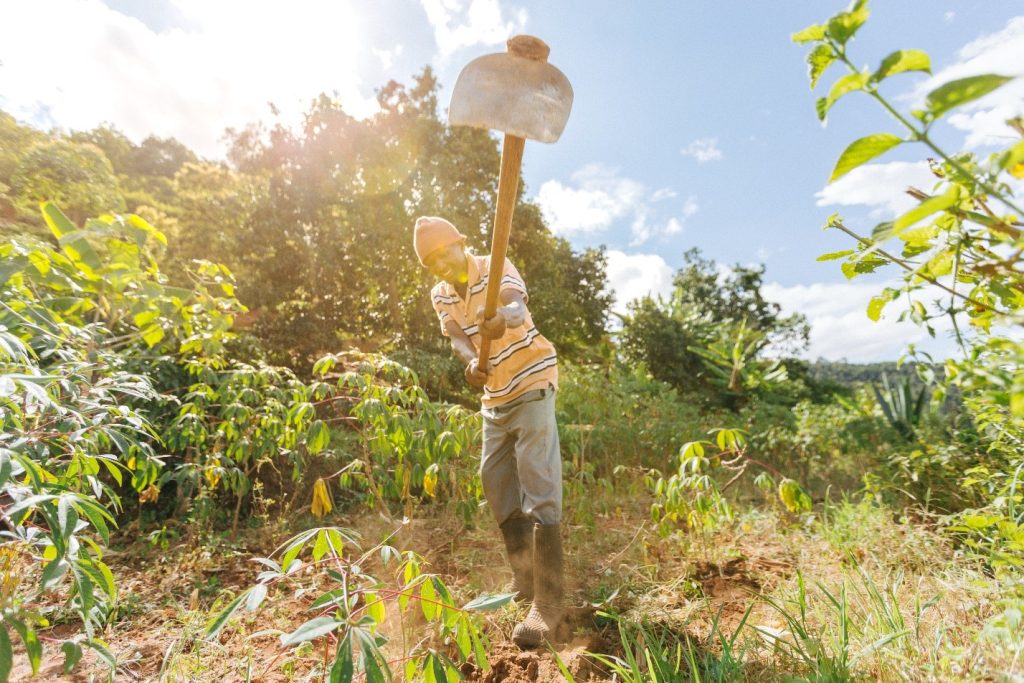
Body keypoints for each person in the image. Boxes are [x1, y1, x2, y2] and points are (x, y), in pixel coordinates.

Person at [413, 215, 564, 648]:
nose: (442, 263)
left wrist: (504, 319)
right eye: (432, 261)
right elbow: (458, 337)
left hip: (532, 379)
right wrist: (470, 362)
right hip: (494, 397)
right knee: (494, 479)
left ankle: (549, 600)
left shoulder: (495, 266)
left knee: (537, 479)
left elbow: (516, 305)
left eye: (446, 251)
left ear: (461, 244)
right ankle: (525, 578)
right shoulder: (440, 294)